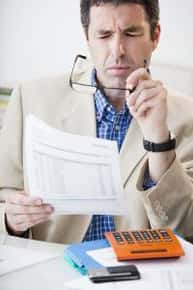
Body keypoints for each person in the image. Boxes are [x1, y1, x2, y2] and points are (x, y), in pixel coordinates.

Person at [0, 0, 193, 243]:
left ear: (155, 36)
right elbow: (3, 197)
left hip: (142, 276)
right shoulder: (30, 99)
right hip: (51, 272)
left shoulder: (188, 115)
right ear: (87, 37)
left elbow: (186, 228)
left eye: (131, 33)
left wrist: (158, 139)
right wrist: (10, 219)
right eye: (104, 35)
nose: (117, 50)